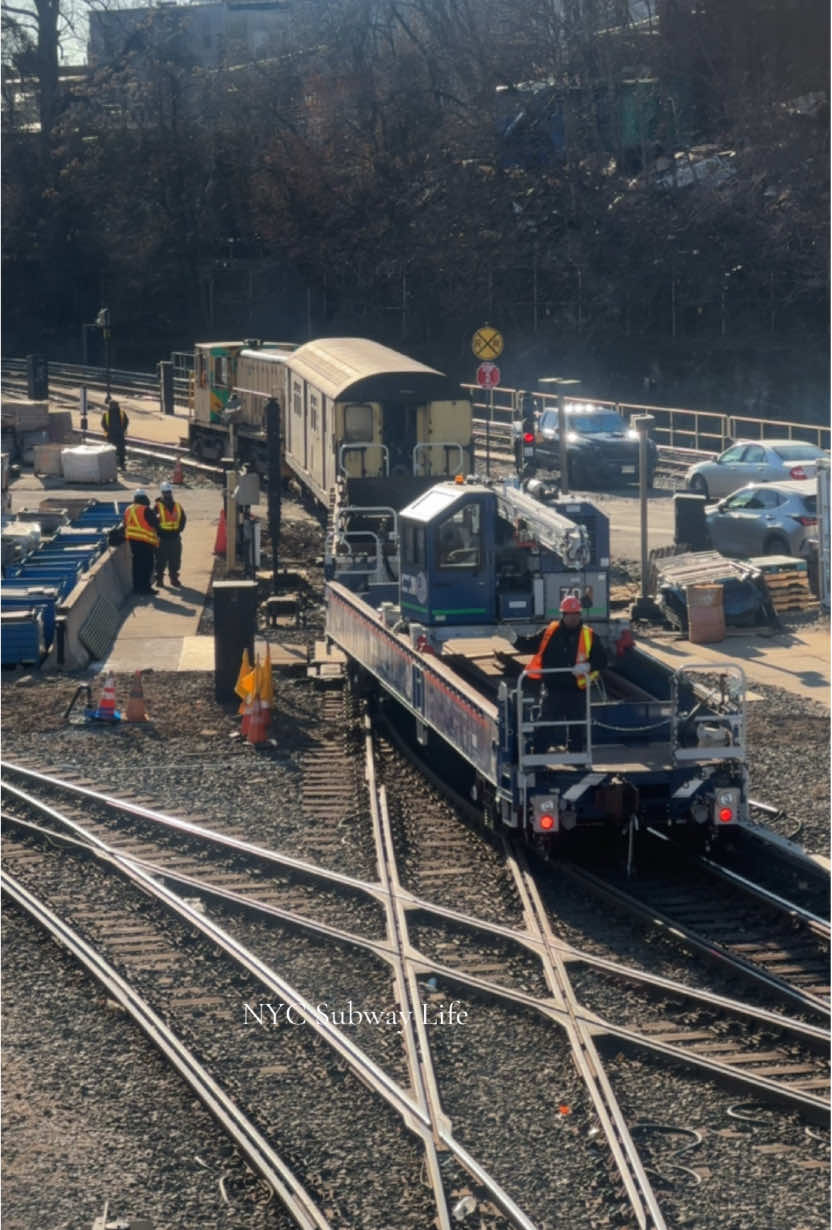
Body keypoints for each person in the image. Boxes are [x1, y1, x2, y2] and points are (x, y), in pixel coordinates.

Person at [526, 594, 607, 750]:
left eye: (576, 614)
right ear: (563, 615)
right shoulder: (549, 633)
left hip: (576, 689)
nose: (573, 618)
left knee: (577, 725)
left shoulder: (588, 635)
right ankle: (539, 753)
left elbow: (602, 659)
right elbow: (530, 645)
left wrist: (588, 666)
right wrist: (514, 639)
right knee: (545, 723)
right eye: (570, 614)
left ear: (580, 614)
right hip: (553, 688)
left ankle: (577, 756)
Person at [124, 489, 159, 596]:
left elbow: (125, 524)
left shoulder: (129, 509)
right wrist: (158, 517)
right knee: (147, 566)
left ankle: (137, 588)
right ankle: (146, 588)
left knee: (137, 565)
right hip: (145, 542)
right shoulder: (145, 509)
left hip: (133, 541)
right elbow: (154, 523)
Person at [154, 481, 187, 587]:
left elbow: (183, 519)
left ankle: (174, 578)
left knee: (175, 560)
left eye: (169, 492)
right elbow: (153, 521)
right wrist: (159, 532)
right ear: (162, 493)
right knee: (161, 561)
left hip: (175, 538)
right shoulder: (156, 507)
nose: (167, 494)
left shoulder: (178, 506)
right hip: (162, 539)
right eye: (165, 492)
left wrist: (179, 529)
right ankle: (159, 580)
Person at [101, 397, 129, 469]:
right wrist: (123, 429)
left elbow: (126, 421)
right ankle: (119, 465)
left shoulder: (121, 413)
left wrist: (123, 429)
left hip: (116, 435)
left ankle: (120, 465)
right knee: (119, 450)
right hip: (114, 435)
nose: (113, 407)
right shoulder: (106, 414)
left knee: (118, 450)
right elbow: (103, 424)